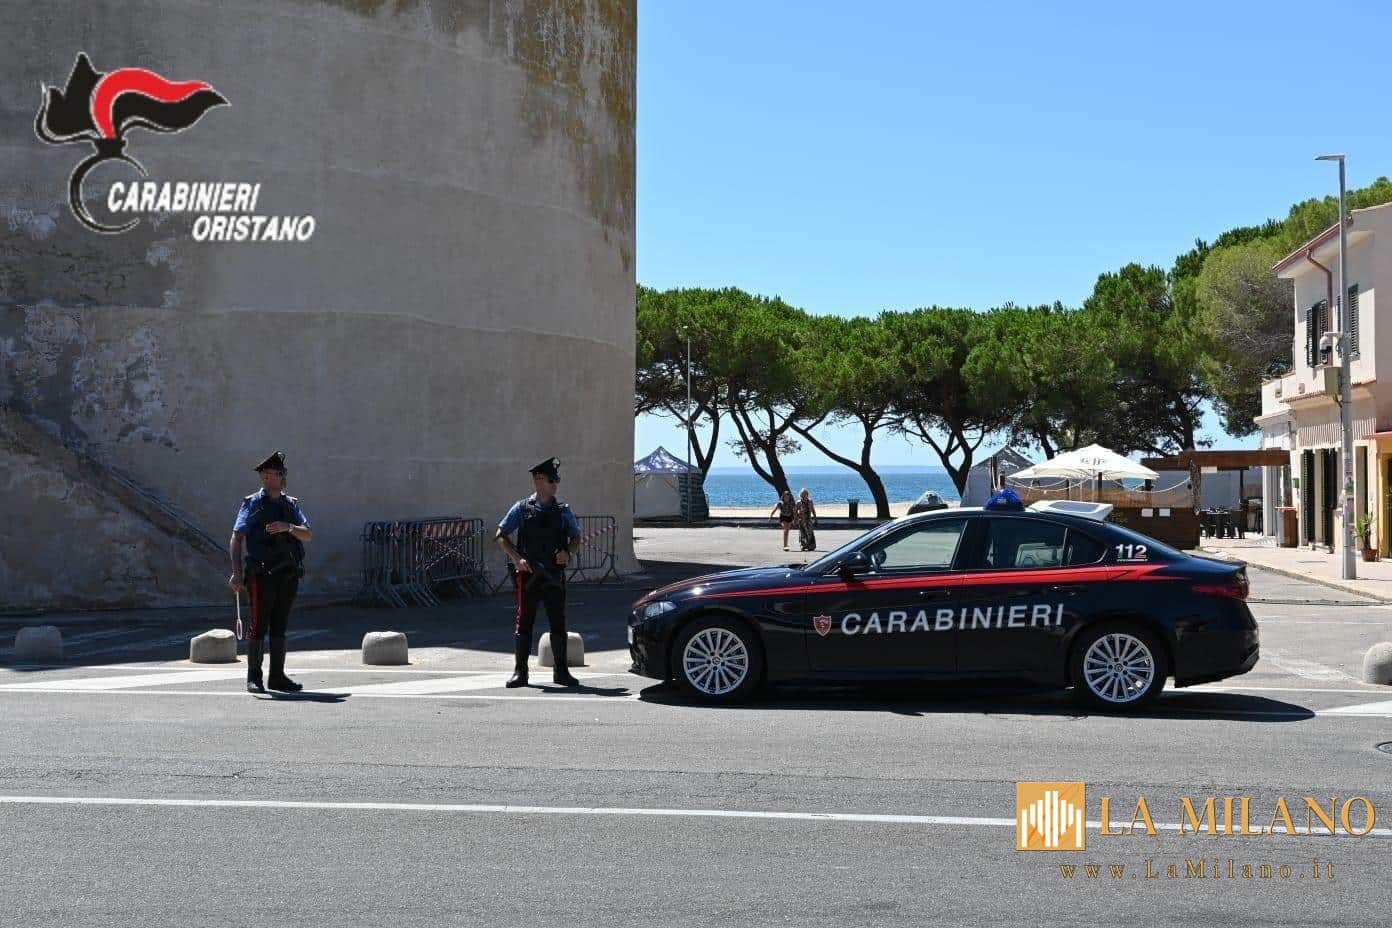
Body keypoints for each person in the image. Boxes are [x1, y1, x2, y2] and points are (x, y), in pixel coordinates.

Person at [228, 451, 312, 694]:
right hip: (261, 574)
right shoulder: (252, 503)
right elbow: (236, 537)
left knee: (280, 625)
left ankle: (278, 677)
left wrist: (288, 527)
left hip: (287, 574)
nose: (265, 478)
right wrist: (236, 571)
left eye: (270, 474)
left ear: (281, 476)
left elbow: (307, 534)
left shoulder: (290, 505)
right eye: (263, 474)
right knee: (258, 625)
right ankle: (254, 677)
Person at [495, 457, 583, 688]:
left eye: (556, 480)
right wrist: (516, 558)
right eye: (550, 479)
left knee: (558, 623)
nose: (555, 484)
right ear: (538, 481)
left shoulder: (563, 511)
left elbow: (576, 538)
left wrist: (568, 553)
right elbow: (500, 535)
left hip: (554, 575)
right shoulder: (521, 509)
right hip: (529, 575)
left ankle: (561, 672)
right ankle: (520, 673)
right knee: (524, 622)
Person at [795, 487, 818, 552]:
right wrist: (796, 519)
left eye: (805, 494)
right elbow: (795, 511)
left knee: (810, 533)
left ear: (807, 495)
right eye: (802, 494)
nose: (804, 496)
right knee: (802, 533)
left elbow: (813, 510)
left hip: (809, 520)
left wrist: (815, 519)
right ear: (800, 495)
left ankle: (811, 546)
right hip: (801, 520)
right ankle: (803, 546)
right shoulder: (798, 502)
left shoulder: (810, 501)